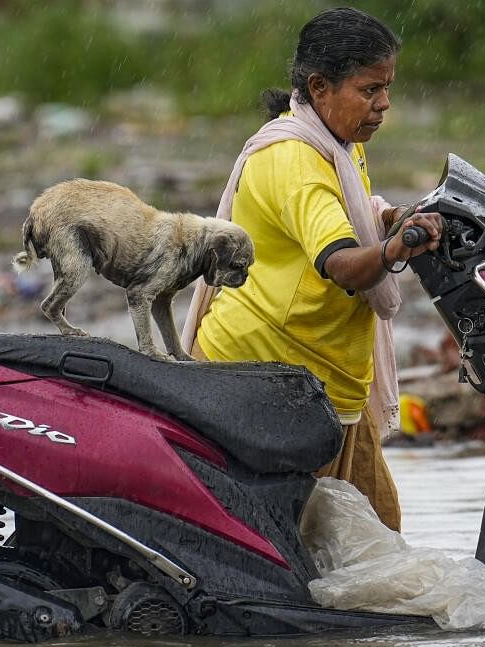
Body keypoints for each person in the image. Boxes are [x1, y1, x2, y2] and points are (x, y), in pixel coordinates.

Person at [180, 7, 442, 532]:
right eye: (370, 89)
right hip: (271, 381)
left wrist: (390, 216)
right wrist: (393, 250)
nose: (384, 104)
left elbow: (350, 210)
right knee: (296, 553)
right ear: (320, 86)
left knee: (378, 537)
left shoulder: (338, 141)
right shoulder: (295, 161)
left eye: (387, 88)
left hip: (332, 379)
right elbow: (343, 265)